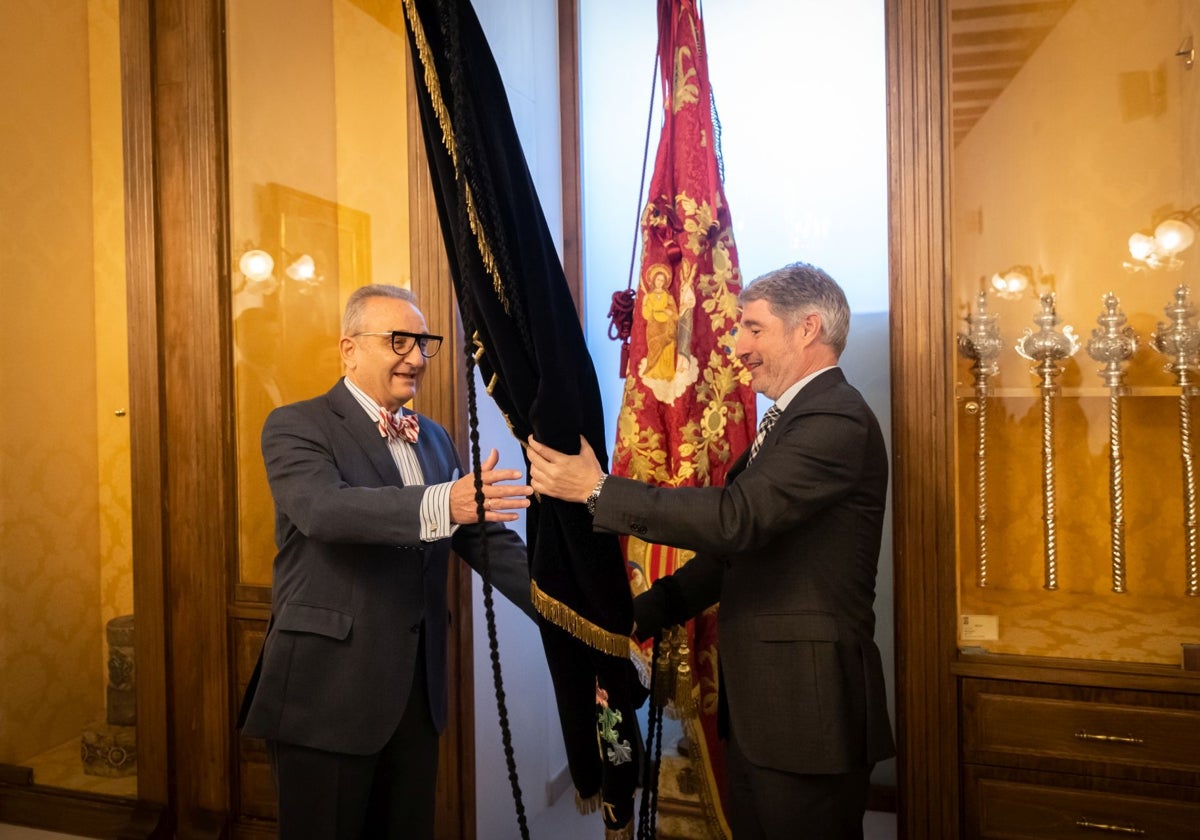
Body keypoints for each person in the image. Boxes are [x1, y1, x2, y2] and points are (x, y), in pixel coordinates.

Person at [527, 262, 894, 839]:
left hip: (808, 712)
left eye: (752, 328)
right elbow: (732, 560)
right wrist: (631, 619)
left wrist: (597, 490)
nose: (737, 345)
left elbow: (734, 521)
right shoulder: (794, 419)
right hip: (763, 712)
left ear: (808, 328)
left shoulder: (834, 417)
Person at [238, 284, 536, 839]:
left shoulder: (437, 439)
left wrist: (578, 616)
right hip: (326, 694)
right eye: (399, 340)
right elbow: (326, 511)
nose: (417, 357)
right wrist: (447, 500)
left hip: (416, 697)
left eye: (424, 343)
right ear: (348, 349)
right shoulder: (296, 425)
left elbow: (485, 543)